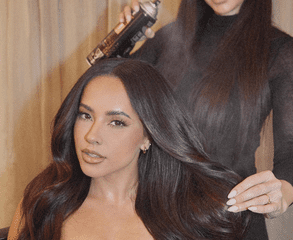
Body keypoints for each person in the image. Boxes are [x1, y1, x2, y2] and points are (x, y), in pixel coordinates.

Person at [8, 58, 250, 240]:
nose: (91, 136)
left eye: (117, 122)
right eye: (85, 115)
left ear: (148, 136)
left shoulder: (192, 214)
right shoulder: (43, 202)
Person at [120, 0, 293, 239]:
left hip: (229, 220)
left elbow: (291, 149)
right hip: (159, 218)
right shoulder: (169, 37)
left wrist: (284, 190)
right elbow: (99, 99)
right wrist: (122, 38)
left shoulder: (279, 50)